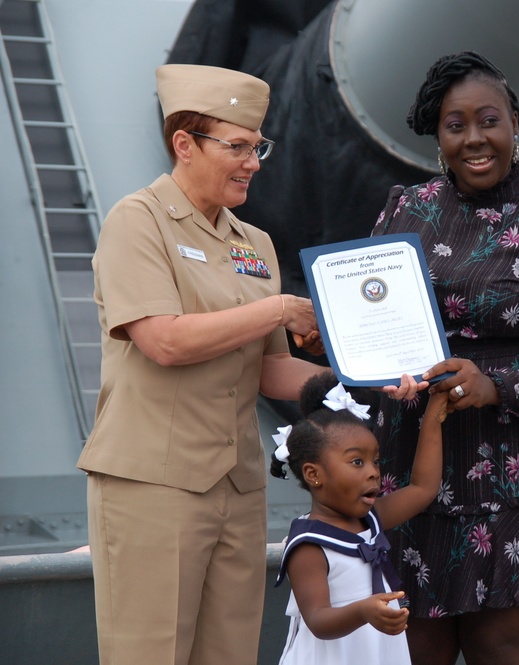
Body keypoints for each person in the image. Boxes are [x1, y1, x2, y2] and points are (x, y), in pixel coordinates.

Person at [77, 64, 328, 664]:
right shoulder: (136, 222)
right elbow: (163, 341)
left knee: (230, 655)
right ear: (183, 144)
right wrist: (278, 309)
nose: (253, 163)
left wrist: (362, 379)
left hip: (236, 486)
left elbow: (268, 372)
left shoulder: (254, 244)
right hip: (153, 485)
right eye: (237, 147)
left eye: (257, 147)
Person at [370, 51, 519, 665]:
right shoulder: (405, 210)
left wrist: (495, 384)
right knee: (412, 643)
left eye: (488, 120)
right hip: (409, 460)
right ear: (440, 136)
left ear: (515, 124)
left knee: (500, 648)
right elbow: (368, 314)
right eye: (456, 125)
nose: (474, 139)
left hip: (512, 469)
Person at [270, 375, 449, 664]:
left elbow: (423, 488)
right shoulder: (308, 546)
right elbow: (318, 619)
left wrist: (434, 416)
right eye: (357, 462)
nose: (373, 472)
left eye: (375, 461)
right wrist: (363, 611)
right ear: (313, 474)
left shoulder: (371, 518)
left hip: (375, 651)